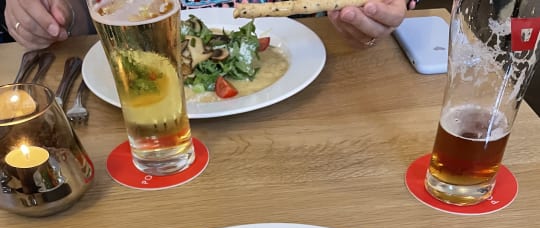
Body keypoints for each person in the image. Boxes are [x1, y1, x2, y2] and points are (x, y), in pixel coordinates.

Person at [2, 0, 413, 52]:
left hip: (315, 91)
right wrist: (49, 15)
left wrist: (376, 12)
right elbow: (76, 9)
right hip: (134, 110)